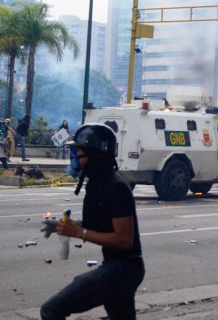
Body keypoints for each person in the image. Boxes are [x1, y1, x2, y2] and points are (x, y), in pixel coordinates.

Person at [40, 123, 144, 320]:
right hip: (118, 267)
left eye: (77, 152)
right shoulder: (97, 183)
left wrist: (79, 233)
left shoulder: (116, 187)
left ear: (95, 154)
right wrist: (67, 227)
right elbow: (97, 226)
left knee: (51, 310)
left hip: (124, 269)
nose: (74, 157)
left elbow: (124, 240)